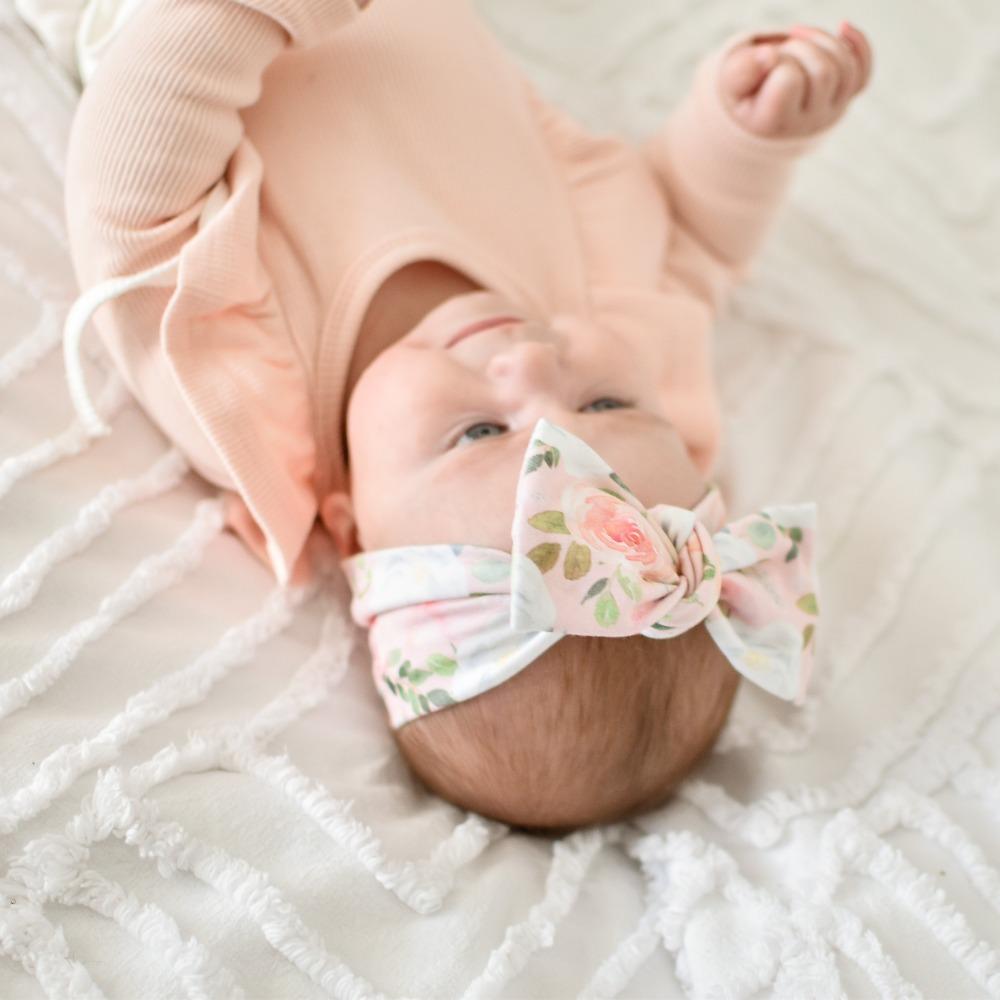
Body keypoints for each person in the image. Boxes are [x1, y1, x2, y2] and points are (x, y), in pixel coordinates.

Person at [62, 0, 872, 831]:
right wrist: (744, 137)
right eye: (606, 402)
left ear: (352, 527)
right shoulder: (601, 315)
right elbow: (693, 246)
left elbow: (128, 196)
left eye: (480, 433)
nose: (528, 363)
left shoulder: (251, 400)